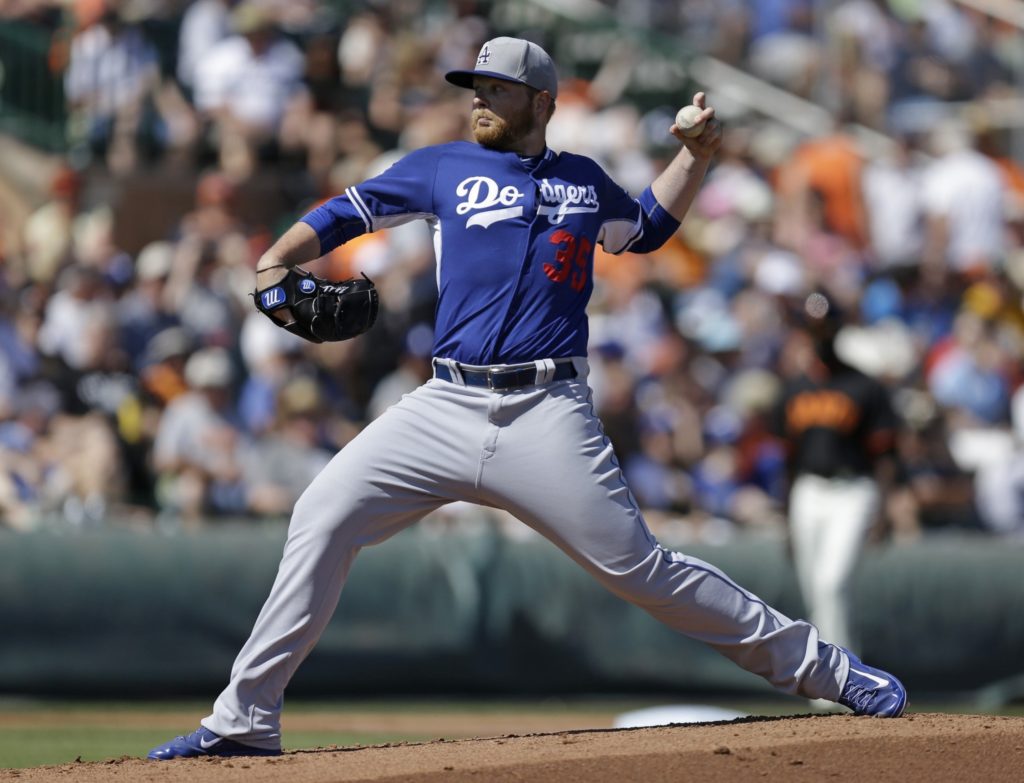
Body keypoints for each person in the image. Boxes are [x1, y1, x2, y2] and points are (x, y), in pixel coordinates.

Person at [148, 36, 907, 760]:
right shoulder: (445, 167)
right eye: (475, 87)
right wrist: (276, 259)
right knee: (322, 514)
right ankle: (245, 718)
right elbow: (350, 209)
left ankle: (830, 672)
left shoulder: (582, 178)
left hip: (548, 411)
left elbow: (639, 231)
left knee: (641, 568)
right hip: (442, 405)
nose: (479, 99)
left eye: (496, 88)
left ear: (539, 100)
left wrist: (692, 158)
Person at [772, 292, 901, 658]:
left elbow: (885, 455)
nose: (820, 336)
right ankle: (826, 686)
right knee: (815, 593)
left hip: (854, 490)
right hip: (807, 491)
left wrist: (885, 508)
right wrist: (785, 517)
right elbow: (788, 459)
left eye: (826, 328)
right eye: (814, 329)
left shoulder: (865, 387)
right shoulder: (793, 389)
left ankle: (845, 678)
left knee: (831, 584)